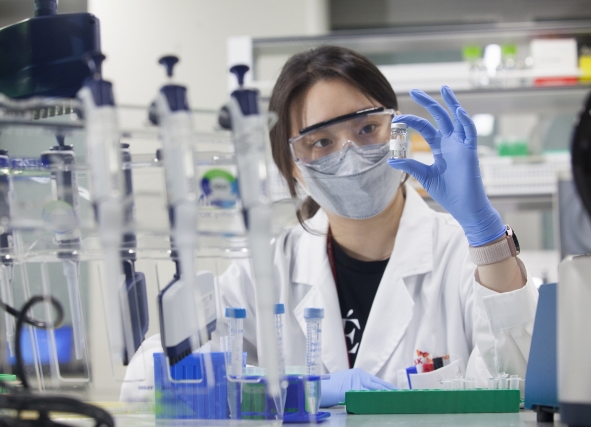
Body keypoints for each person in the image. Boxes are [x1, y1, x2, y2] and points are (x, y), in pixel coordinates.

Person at [121, 46, 538, 406]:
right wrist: (296, 390)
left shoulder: (461, 256)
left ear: (397, 132)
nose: (351, 153)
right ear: (293, 167)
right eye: (321, 141)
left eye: (367, 128)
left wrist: (486, 235)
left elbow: (526, 382)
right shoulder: (269, 270)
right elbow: (144, 382)